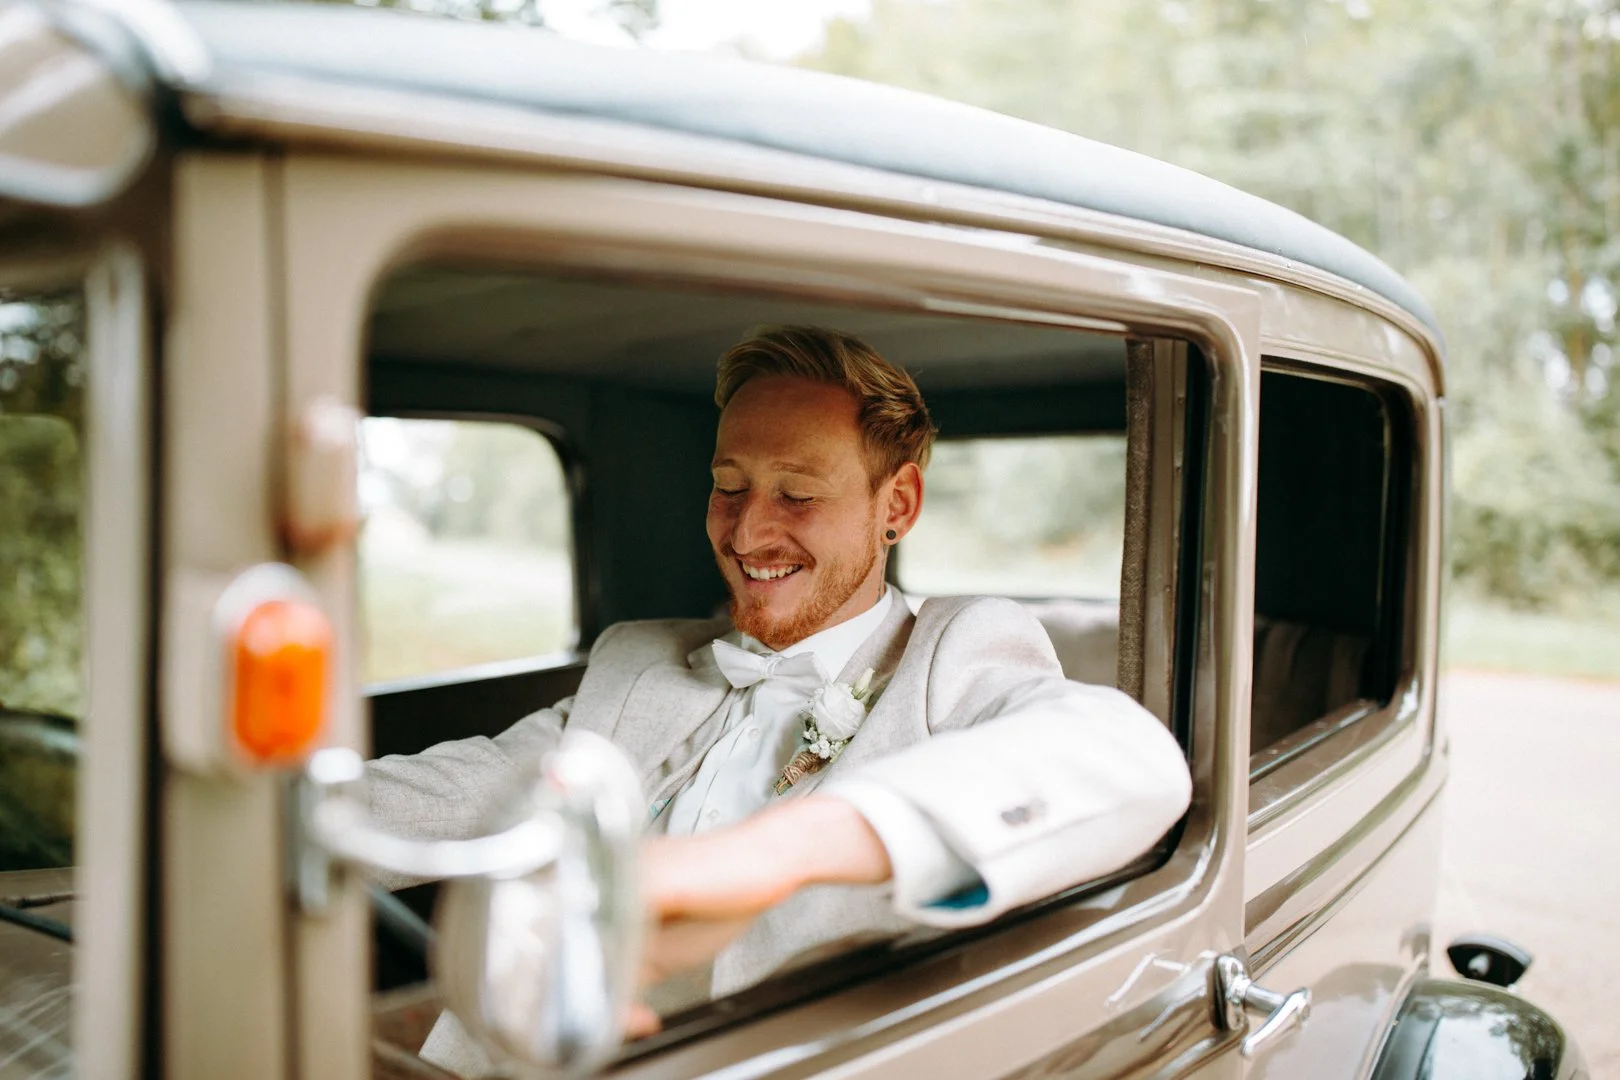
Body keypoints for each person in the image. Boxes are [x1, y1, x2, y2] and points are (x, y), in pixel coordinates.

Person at [366, 326, 1191, 1072]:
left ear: (896, 506)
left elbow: (1133, 758)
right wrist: (296, 818)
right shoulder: (638, 660)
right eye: (729, 486)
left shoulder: (954, 652)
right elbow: (468, 787)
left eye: (797, 493)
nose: (747, 532)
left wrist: (765, 856)